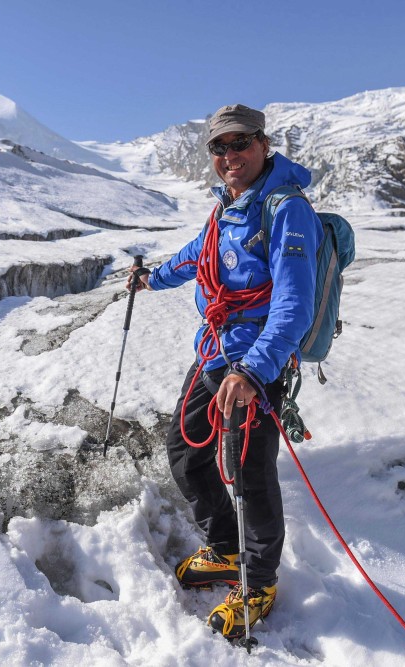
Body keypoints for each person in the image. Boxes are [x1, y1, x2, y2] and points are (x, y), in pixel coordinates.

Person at [127, 104, 321, 638]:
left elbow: (294, 305)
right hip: (214, 352)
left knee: (250, 474)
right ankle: (226, 549)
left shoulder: (286, 210)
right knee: (186, 451)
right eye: (220, 147)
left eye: (240, 144)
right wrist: (151, 280)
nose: (230, 156)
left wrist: (255, 371)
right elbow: (197, 257)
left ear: (263, 144)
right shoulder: (227, 208)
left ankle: (257, 582)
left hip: (253, 363)